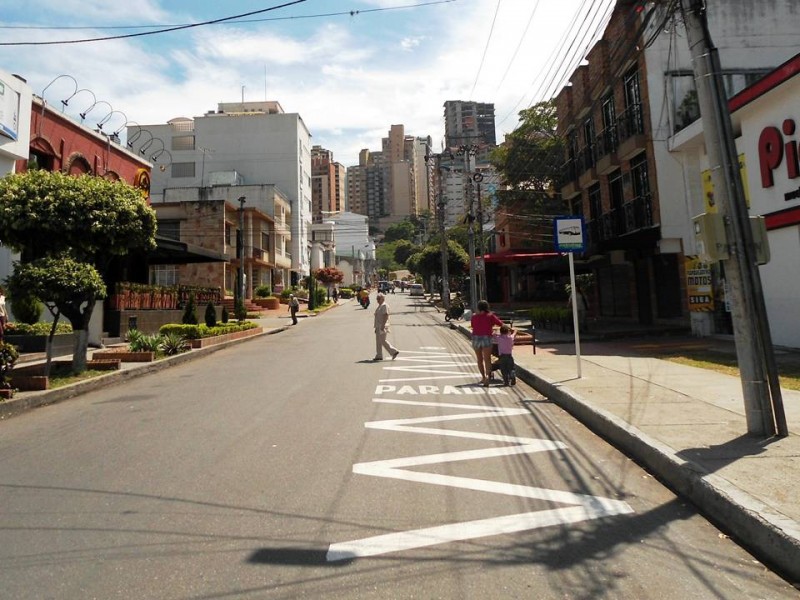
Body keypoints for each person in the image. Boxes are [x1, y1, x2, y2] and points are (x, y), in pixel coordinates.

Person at [470, 299, 504, 387]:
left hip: (476, 338)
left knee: (479, 359)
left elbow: (473, 326)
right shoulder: (490, 315)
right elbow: (500, 323)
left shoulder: (474, 316)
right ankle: (488, 377)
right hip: (487, 337)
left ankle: (483, 377)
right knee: (487, 359)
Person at [373, 293, 399, 361]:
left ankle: (394, 351)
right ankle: (379, 355)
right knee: (378, 341)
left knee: (383, 340)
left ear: (383, 299)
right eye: (377, 299)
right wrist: (376, 327)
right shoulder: (380, 306)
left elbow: (386, 315)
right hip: (378, 326)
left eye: (379, 298)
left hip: (382, 326)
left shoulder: (384, 305)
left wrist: (383, 326)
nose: (377, 300)